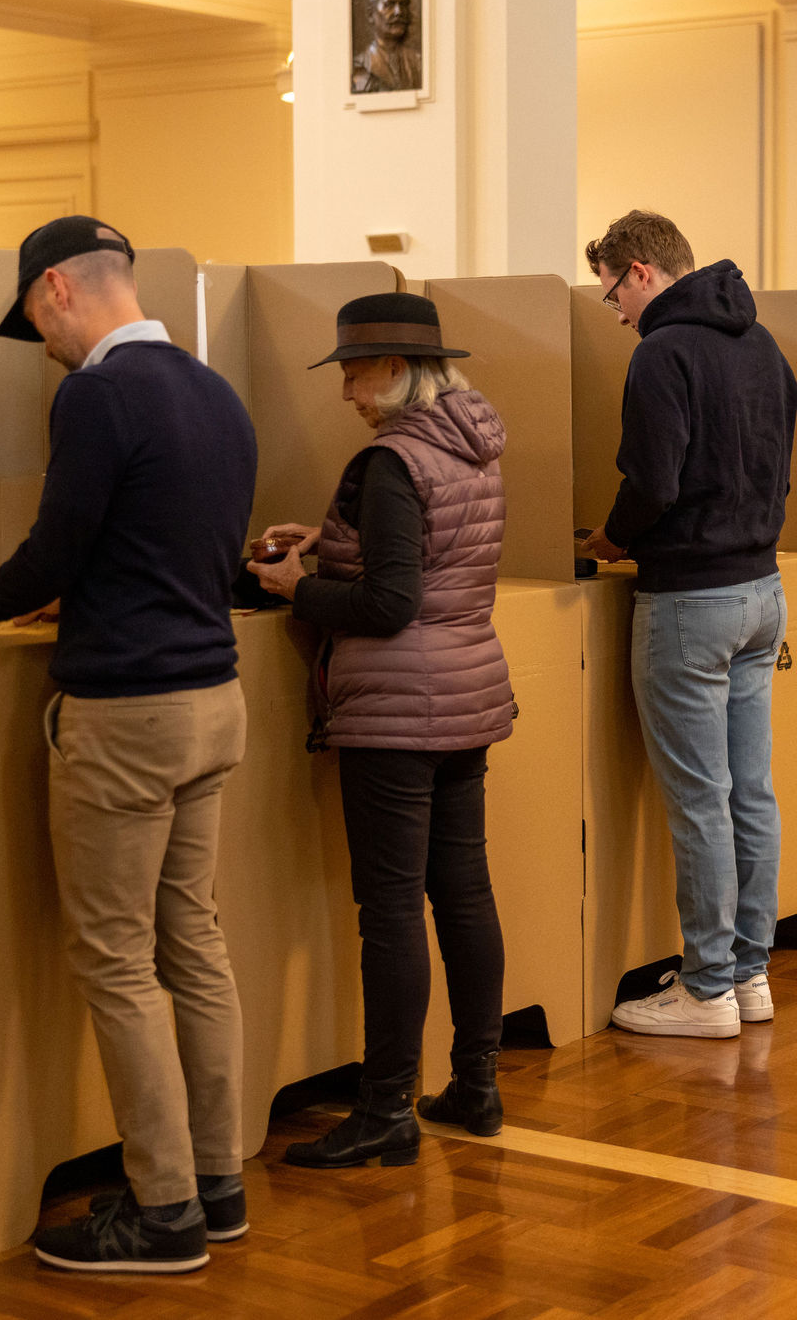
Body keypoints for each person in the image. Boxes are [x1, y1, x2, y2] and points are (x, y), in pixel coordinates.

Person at [0, 216, 258, 1273]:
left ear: (56, 292)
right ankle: (218, 1184)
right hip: (214, 697)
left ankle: (162, 1209)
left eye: (34, 323)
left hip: (126, 714)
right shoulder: (214, 389)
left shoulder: (94, 394)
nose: (41, 346)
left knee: (117, 960)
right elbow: (182, 547)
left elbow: (58, 543)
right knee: (196, 942)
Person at [247, 292, 512, 1165]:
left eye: (354, 372)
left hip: (397, 710)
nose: (345, 391)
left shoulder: (394, 461)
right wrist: (326, 542)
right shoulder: (469, 444)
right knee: (463, 893)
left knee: (391, 909)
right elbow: (435, 562)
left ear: (397, 370)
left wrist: (297, 589)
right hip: (466, 692)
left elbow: (392, 603)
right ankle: (475, 1085)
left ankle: (385, 1108)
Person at [583, 210, 796, 1040]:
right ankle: (749, 975)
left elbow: (653, 481)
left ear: (639, 271)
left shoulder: (662, 354)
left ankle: (705, 989)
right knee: (751, 792)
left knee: (700, 800)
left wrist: (612, 539)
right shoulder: (765, 346)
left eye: (612, 297)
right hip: (762, 590)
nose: (617, 313)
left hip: (688, 601)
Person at [352, 0, 421, 92]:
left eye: (403, 4)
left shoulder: (418, 62)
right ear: (370, 14)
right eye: (389, 5)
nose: (399, 12)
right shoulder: (359, 64)